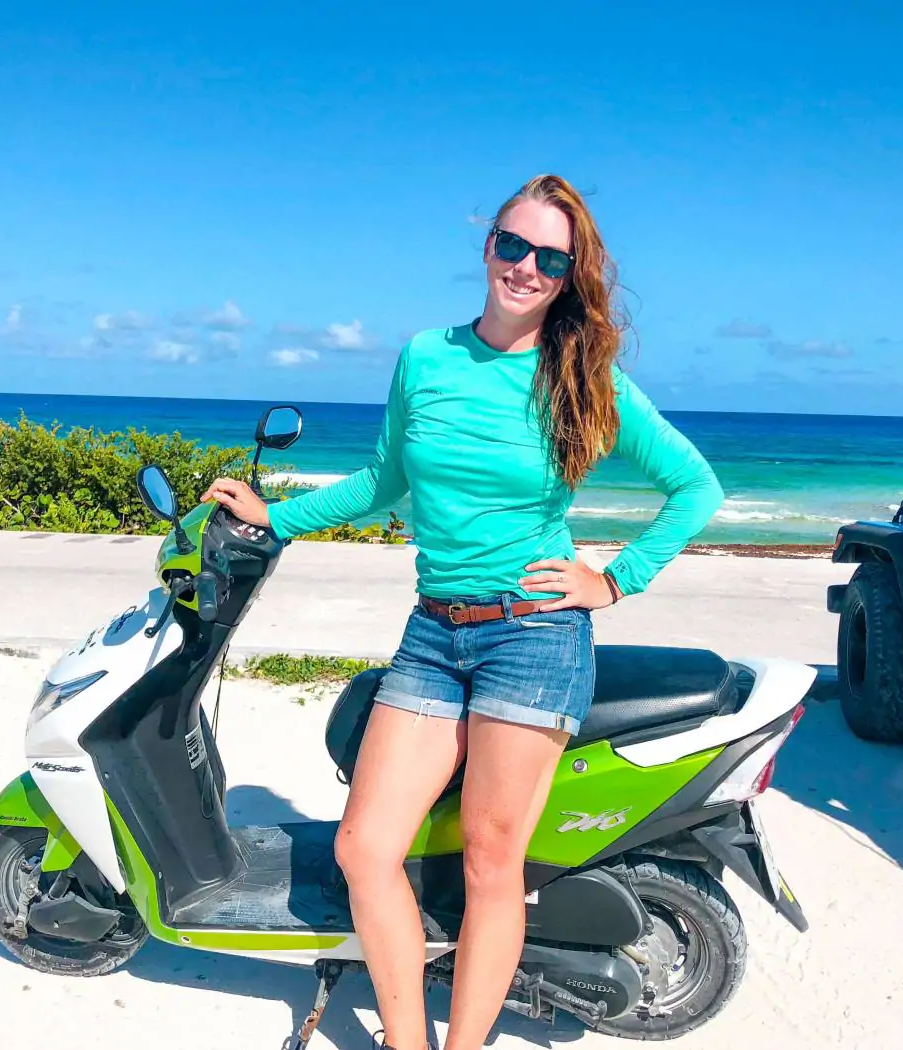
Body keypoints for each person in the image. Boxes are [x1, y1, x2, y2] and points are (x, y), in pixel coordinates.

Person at [201, 174, 724, 1050]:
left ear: (569, 276)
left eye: (550, 258)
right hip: (434, 632)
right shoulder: (425, 357)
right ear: (487, 246)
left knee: (491, 866)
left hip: (536, 637)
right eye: (513, 245)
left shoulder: (581, 377)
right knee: (365, 849)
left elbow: (694, 487)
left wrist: (615, 578)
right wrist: (276, 518)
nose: (526, 267)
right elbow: (384, 482)